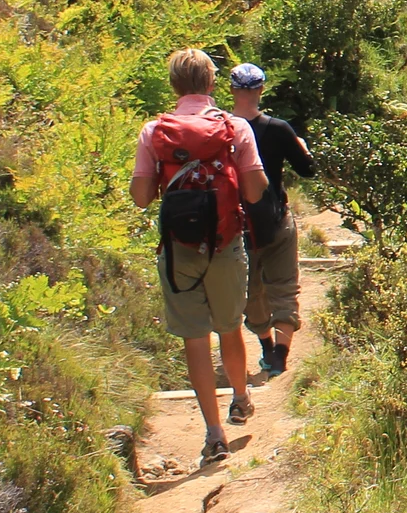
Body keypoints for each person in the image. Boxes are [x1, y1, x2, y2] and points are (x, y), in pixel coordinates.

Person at [131, 48, 268, 465]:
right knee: (229, 327)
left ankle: (213, 433)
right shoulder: (235, 127)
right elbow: (254, 191)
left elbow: (140, 198)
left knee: (195, 338)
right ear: (212, 83)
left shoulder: (154, 131)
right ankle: (241, 397)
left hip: (178, 250)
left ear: (173, 86)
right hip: (225, 243)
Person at [229, 62, 316, 376]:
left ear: (232, 90)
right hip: (276, 222)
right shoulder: (278, 129)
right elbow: (308, 170)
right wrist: (302, 148)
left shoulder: (221, 129)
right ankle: (279, 355)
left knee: (249, 293)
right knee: (284, 288)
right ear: (261, 90)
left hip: (237, 227)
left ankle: (266, 346)